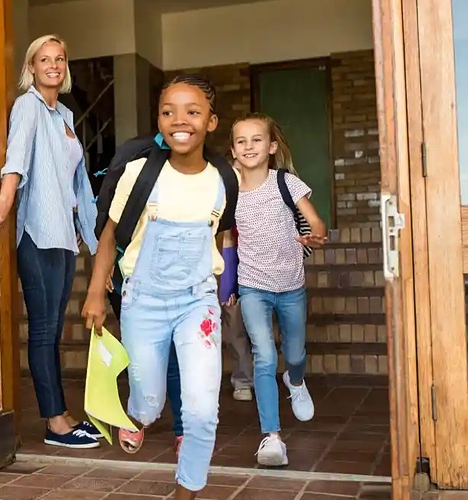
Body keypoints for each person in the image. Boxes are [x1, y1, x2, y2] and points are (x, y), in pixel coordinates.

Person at [83, 74, 226, 499]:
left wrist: (222, 282)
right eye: (168, 112)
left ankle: (187, 491)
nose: (179, 120)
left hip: (197, 303)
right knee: (148, 401)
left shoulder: (223, 180)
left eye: (192, 112)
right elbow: (109, 233)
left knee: (202, 411)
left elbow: (219, 233)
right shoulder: (139, 174)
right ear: (159, 120)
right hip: (142, 301)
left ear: (211, 122)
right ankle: (138, 414)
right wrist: (95, 292)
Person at [0, 34, 101, 449]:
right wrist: (4, 201)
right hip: (37, 234)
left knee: (50, 330)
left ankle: (62, 415)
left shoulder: (63, 114)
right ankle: (54, 422)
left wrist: (89, 232)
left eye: (60, 59)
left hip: (63, 237)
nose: (53, 65)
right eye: (44, 59)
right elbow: (17, 156)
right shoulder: (28, 106)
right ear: (31, 67)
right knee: (44, 329)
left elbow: (77, 180)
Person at [230, 112, 328, 467]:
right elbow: (226, 238)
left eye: (256, 140)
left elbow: (314, 218)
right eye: (241, 141)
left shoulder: (286, 182)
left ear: (271, 147)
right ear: (233, 149)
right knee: (265, 356)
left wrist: (316, 232)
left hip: (291, 286)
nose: (249, 146)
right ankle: (271, 437)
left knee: (295, 353)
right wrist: (228, 283)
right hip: (252, 286)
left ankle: (296, 380)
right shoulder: (229, 191)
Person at [166, 224, 253, 456]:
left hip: (229, 270)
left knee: (235, 332)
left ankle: (243, 381)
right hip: (195, 275)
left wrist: (229, 285)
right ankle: (199, 393)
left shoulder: (231, 210)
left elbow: (232, 244)